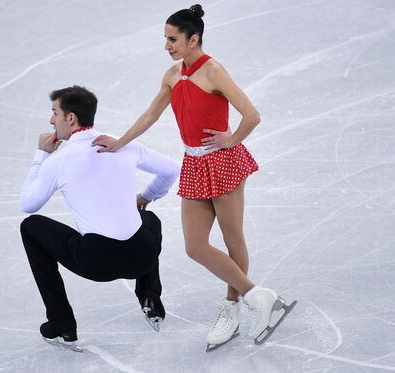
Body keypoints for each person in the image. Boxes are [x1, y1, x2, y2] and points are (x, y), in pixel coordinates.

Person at [92, 5, 296, 350]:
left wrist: (230, 140)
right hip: (194, 163)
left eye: (173, 39)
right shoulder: (173, 74)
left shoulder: (213, 71)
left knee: (233, 239)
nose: (167, 45)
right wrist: (120, 143)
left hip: (223, 162)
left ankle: (232, 307)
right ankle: (259, 297)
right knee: (195, 246)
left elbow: (252, 115)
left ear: (193, 39)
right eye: (166, 39)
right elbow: (151, 114)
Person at [19, 85, 180, 352]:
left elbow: (29, 204)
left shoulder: (59, 160)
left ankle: (62, 324)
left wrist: (41, 155)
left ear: (71, 118)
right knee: (149, 220)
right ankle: (150, 296)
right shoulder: (123, 144)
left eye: (54, 113)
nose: (51, 120)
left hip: (97, 263)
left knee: (31, 227)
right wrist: (146, 196)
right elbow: (171, 169)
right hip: (142, 258)